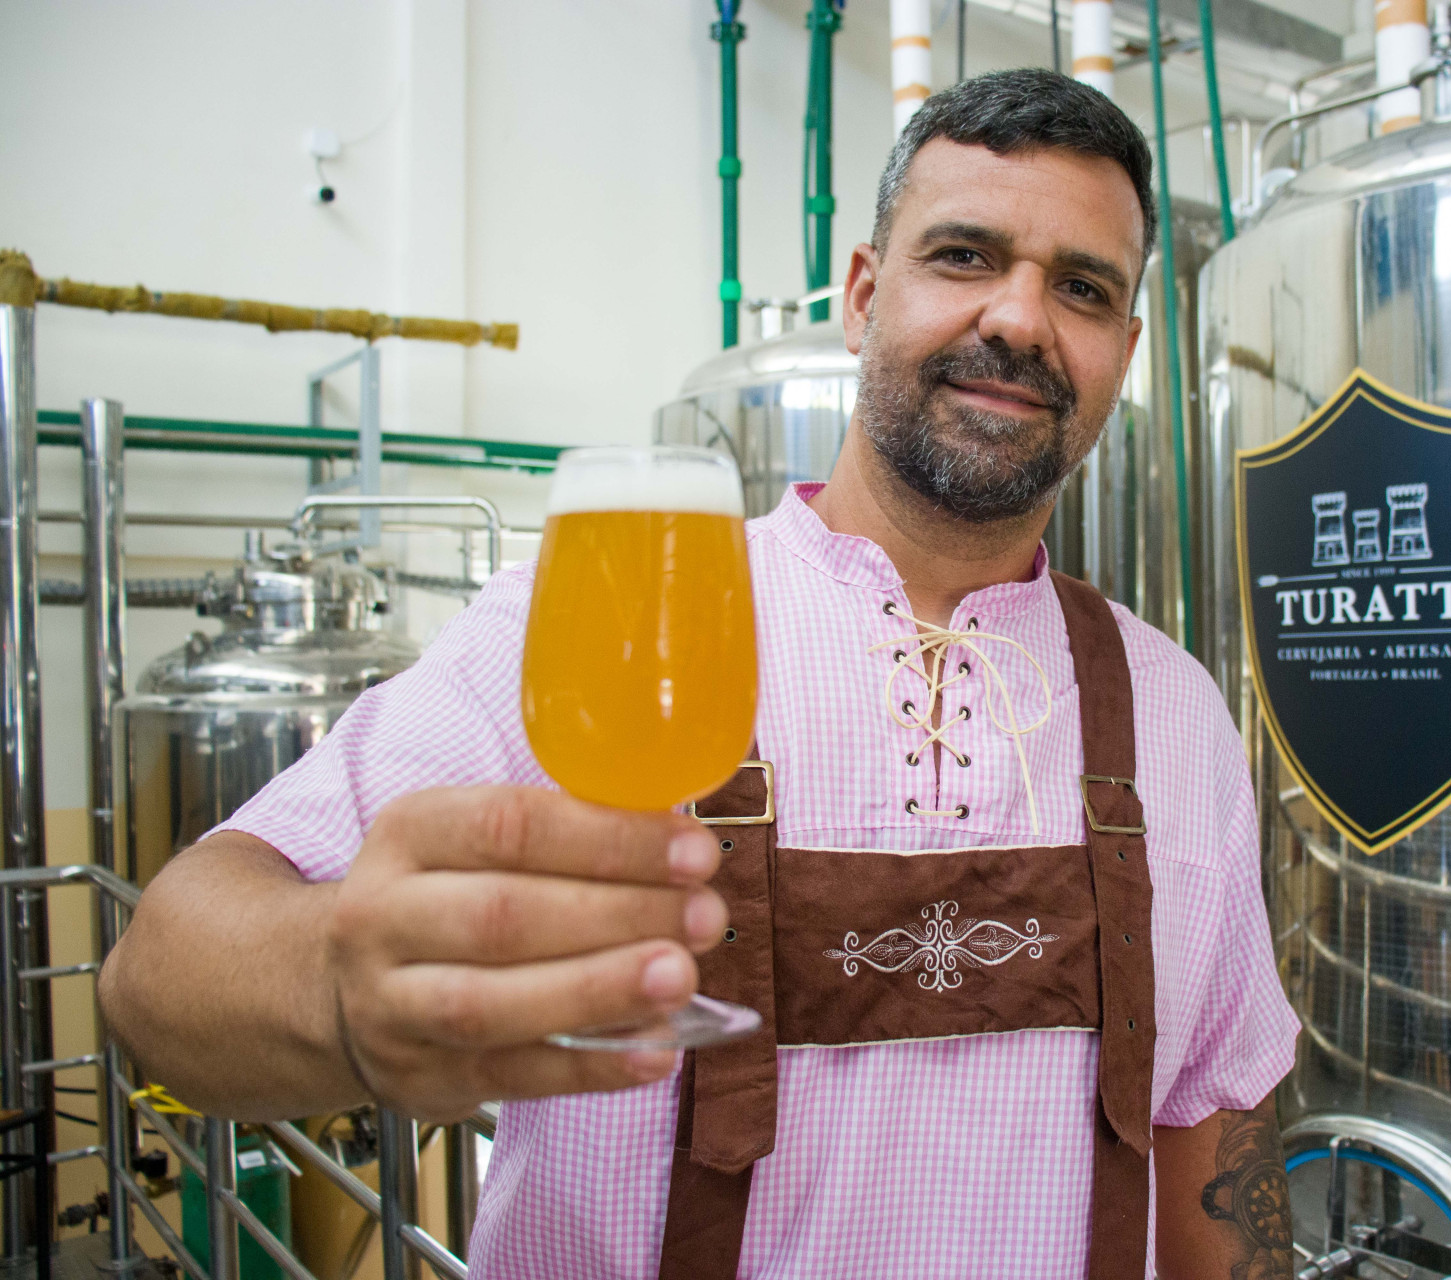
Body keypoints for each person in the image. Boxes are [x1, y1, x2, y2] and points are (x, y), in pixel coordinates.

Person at [100, 69, 1302, 1279]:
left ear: (1125, 350)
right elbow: (160, 979)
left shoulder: (1175, 712)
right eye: (965, 255)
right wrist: (338, 986)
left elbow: (1216, 1146)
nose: (1021, 319)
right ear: (864, 295)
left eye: (1082, 289)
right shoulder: (620, 621)